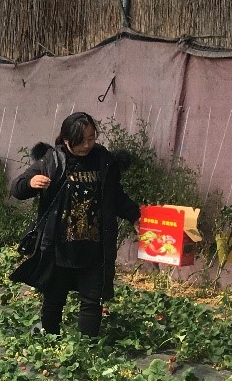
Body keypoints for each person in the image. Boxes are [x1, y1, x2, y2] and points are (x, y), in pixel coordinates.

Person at [10, 111, 139, 337]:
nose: (87, 145)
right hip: (60, 247)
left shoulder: (103, 160)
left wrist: (135, 216)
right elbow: (17, 188)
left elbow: (116, 197)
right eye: (81, 141)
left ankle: (86, 346)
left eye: (91, 138)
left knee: (92, 300)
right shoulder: (52, 160)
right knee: (54, 297)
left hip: (95, 247)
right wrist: (31, 182)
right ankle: (50, 338)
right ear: (66, 139)